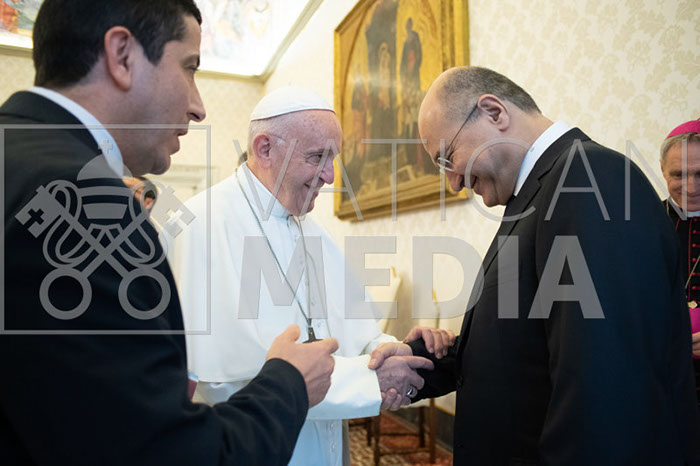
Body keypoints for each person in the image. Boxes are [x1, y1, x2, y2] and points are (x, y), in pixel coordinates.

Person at [0, 1, 340, 465]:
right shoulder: (87, 202)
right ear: (122, 55)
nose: (198, 107)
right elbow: (164, 453)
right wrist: (289, 383)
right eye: (190, 67)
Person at [369, 66, 700, 465]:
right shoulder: (539, 193)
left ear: (494, 112)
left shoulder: (587, 180)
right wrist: (422, 358)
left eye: (447, 157)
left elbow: (604, 391)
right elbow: (533, 344)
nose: (453, 182)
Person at [169, 86, 453, 466]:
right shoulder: (201, 224)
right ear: (265, 148)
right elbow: (221, 379)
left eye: (333, 158)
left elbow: (356, 331)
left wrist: (391, 349)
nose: (330, 176)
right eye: (317, 157)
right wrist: (371, 380)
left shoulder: (311, 228)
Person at [660, 118, 700, 407]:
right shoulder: (640, 223)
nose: (691, 187)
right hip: (664, 382)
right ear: (663, 171)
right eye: (679, 175)